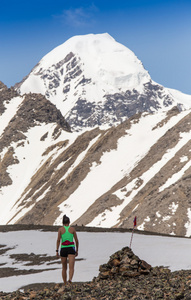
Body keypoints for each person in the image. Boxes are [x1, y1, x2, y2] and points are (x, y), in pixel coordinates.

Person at [56, 215, 79, 285]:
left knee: (64, 268)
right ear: (69, 222)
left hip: (63, 248)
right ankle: (70, 280)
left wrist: (57, 250)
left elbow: (58, 240)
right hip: (71, 248)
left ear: (63, 222)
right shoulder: (72, 229)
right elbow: (77, 240)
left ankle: (65, 283)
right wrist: (77, 250)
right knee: (71, 267)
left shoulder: (60, 229)